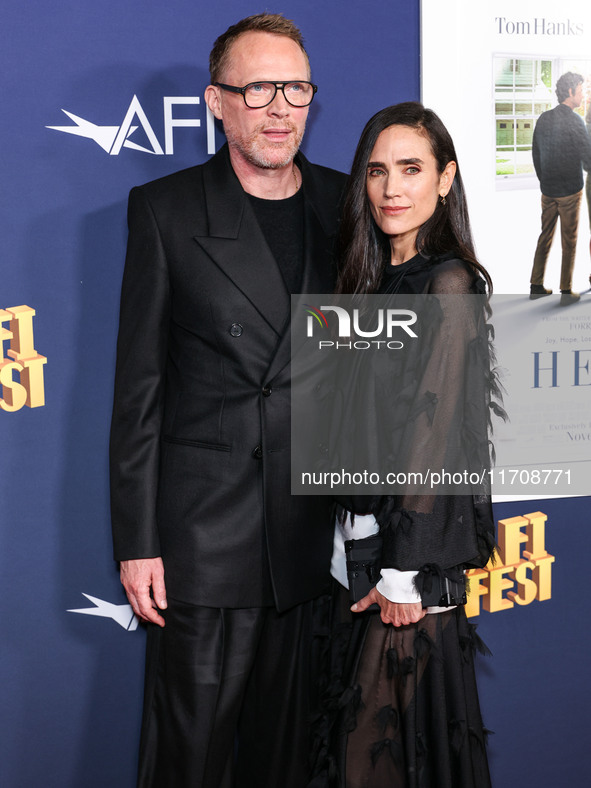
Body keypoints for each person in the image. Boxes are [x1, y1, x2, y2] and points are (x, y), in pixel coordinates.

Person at [109, 13, 346, 788]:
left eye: (295, 87)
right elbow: (139, 387)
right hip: (204, 538)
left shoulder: (349, 207)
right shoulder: (166, 210)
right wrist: (137, 538)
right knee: (191, 759)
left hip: (312, 538)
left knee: (290, 760)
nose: (279, 107)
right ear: (217, 100)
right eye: (257, 89)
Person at [309, 103, 498, 788]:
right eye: (378, 170)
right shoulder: (366, 279)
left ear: (444, 179)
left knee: (375, 760)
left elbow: (435, 435)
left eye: (411, 169)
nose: (392, 188)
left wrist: (400, 573)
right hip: (353, 561)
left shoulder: (448, 282)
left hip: (404, 574)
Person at [529, 71, 591, 303]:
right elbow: (588, 160)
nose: (584, 96)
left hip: (548, 191)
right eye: (582, 90)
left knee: (544, 235)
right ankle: (566, 291)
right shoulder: (576, 121)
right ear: (570, 91)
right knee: (569, 240)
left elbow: (535, 153)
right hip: (569, 192)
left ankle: (536, 285)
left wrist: (544, 180)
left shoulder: (544, 118)